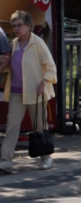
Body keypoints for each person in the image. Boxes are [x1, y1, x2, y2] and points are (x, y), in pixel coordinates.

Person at [0, 11, 58, 173]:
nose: (16, 29)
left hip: (36, 91)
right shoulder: (13, 44)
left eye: (19, 25)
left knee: (39, 126)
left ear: (29, 26)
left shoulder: (38, 43)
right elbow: (8, 65)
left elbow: (51, 67)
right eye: (14, 25)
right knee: (12, 125)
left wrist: (44, 82)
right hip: (17, 92)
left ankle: (46, 158)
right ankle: (6, 160)